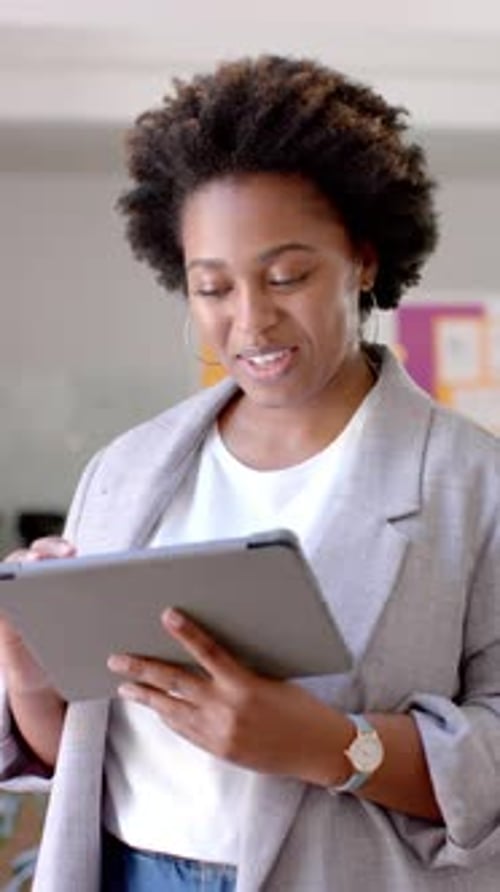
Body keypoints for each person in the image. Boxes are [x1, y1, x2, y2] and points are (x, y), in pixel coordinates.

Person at [0, 55, 499, 892]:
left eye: (287, 276)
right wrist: (30, 670)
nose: (251, 319)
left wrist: (330, 746)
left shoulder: (474, 484)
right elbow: (82, 759)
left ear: (364, 259)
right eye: (212, 288)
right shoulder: (124, 471)